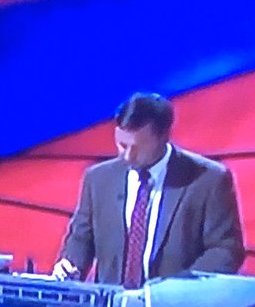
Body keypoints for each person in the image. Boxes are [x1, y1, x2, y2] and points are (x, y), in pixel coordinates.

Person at [53, 92, 244, 286]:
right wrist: (69, 266)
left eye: (137, 148)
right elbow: (81, 239)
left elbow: (225, 250)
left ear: (163, 137)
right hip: (109, 303)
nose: (127, 156)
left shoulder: (208, 180)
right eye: (122, 145)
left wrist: (179, 289)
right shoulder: (98, 179)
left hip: (174, 303)